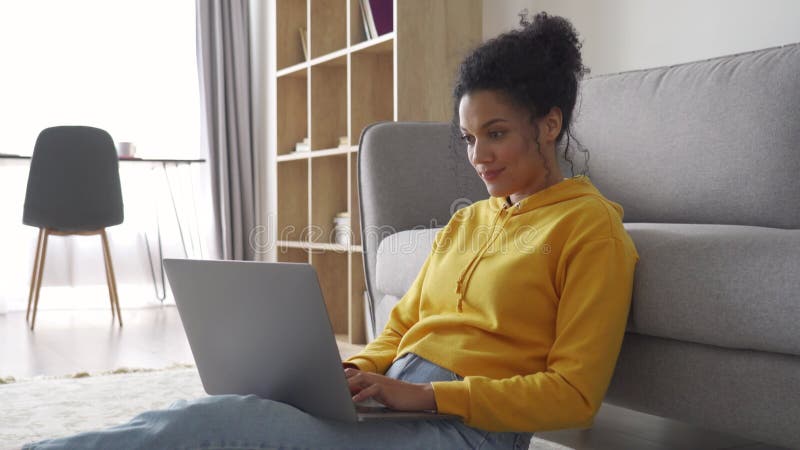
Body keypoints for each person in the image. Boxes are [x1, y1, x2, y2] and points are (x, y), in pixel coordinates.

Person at [24, 12, 638, 450]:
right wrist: (349, 375)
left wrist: (423, 399)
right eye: (469, 137)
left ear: (550, 124)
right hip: (392, 402)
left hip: (464, 430)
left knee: (222, 429)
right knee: (228, 411)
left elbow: (574, 395)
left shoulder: (590, 231)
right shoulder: (467, 220)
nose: (478, 155)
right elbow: (400, 328)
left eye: (496, 133)